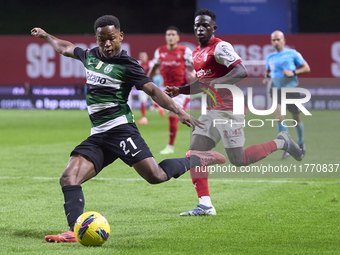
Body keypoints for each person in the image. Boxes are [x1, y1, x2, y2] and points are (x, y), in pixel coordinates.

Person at [30, 15, 227, 243]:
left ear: (120, 36)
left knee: (156, 176)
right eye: (102, 40)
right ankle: (75, 230)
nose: (107, 44)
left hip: (122, 130)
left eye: (112, 39)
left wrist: (180, 112)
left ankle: (197, 158)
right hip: (99, 136)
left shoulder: (128, 65)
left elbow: (153, 91)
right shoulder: (90, 56)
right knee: (68, 178)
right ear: (96, 39)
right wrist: (46, 36)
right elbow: (66, 48)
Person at [165, 9, 304, 216]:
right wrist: (181, 89)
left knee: (239, 160)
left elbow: (241, 70)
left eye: (204, 25)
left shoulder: (220, 47)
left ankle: (282, 141)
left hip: (230, 108)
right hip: (211, 110)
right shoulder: (196, 53)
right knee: (194, 153)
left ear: (214, 28)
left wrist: (217, 82)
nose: (200, 28)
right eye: (197, 25)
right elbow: (202, 84)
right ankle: (205, 205)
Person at [264, 30, 310, 159]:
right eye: (274, 40)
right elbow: (268, 71)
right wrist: (267, 77)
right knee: (279, 118)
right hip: (276, 90)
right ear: (271, 42)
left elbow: (307, 68)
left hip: (291, 90)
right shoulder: (270, 57)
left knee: (296, 121)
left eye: (278, 39)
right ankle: (287, 147)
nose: (276, 42)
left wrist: (293, 72)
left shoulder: (292, 54)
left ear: (284, 40)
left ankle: (300, 142)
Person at [148, 26, 194, 154]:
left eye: (173, 34)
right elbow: (154, 67)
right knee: (174, 116)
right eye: (168, 34)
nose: (170, 37)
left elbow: (197, 63)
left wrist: (195, 73)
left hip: (181, 90)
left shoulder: (184, 51)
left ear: (178, 37)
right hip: (168, 90)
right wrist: (146, 79)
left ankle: (170, 146)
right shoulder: (160, 51)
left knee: (174, 115)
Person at [137, 52, 165, 124]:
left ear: (147, 57)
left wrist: (148, 77)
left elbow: (157, 72)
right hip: (141, 85)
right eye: (141, 56)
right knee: (143, 101)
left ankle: (159, 106)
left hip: (150, 84)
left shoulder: (150, 63)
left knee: (153, 100)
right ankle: (144, 118)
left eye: (144, 56)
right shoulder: (138, 63)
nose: (142, 58)